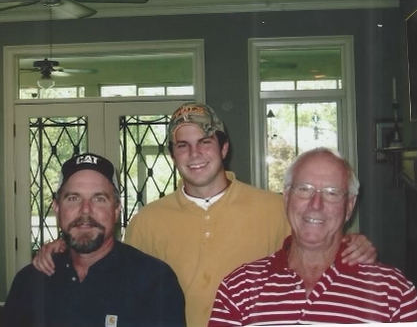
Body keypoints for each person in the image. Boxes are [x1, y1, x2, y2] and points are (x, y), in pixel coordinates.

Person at [32, 103, 377, 327]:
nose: (194, 153)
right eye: (182, 145)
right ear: (173, 155)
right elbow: (107, 265)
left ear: (224, 149)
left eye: (205, 142)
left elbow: (319, 242)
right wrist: (60, 250)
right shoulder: (149, 220)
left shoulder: (275, 208)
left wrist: (352, 242)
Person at [208, 148, 417, 326]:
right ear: (287, 198)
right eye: (304, 189)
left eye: (331, 193)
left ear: (349, 207)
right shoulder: (239, 289)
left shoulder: (394, 293)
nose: (316, 204)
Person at [5, 153, 185, 327]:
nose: (85, 210)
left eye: (99, 199)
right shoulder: (31, 282)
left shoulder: (154, 281)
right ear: (57, 208)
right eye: (73, 198)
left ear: (116, 210)